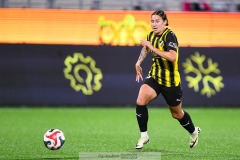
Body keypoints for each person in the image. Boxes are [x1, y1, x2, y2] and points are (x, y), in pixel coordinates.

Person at [134, 10, 201, 149]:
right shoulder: (151, 35)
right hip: (155, 76)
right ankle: (144, 135)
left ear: (165, 22)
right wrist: (138, 62)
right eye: (152, 21)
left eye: (157, 21)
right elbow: (146, 48)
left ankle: (194, 132)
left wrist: (153, 47)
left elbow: (172, 57)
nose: (154, 24)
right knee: (140, 100)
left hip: (170, 81)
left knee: (177, 114)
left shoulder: (170, 36)